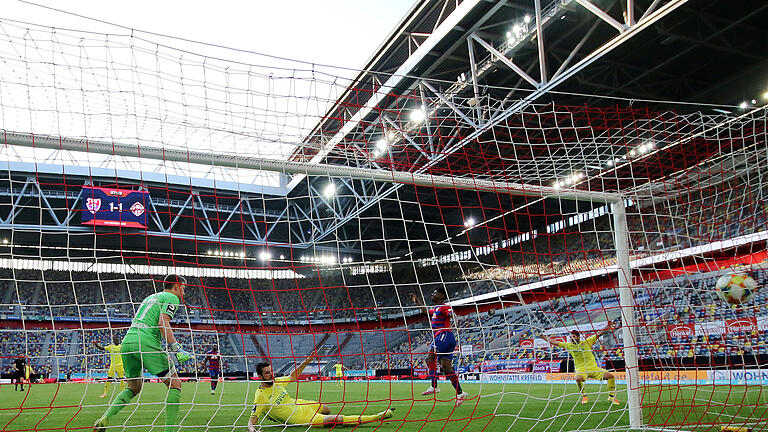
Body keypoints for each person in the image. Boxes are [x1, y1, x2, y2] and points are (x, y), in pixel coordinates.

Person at [94, 274, 193, 432]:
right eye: (183, 288)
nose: (184, 292)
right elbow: (163, 322)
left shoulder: (151, 297)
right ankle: (170, 430)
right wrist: (176, 348)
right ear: (176, 286)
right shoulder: (172, 297)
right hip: (146, 341)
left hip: (128, 342)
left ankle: (105, 418)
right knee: (175, 383)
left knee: (133, 387)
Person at [248, 351, 393, 430]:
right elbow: (251, 421)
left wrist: (305, 362)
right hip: (302, 419)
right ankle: (376, 416)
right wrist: (252, 429)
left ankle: (276, 416)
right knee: (337, 419)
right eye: (267, 373)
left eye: (271, 371)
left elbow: (293, 376)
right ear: (260, 376)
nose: (271, 374)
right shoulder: (260, 397)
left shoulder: (277, 382)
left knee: (327, 409)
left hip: (301, 404)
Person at [410, 288, 468, 406]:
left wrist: (454, 318)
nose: (432, 294)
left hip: (444, 335)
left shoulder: (444, 306)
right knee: (446, 367)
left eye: (435, 292)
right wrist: (417, 301)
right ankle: (460, 393)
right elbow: (426, 311)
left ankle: (434, 386)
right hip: (446, 338)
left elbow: (450, 312)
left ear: (442, 296)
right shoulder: (436, 309)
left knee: (429, 358)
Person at [542, 322, 620, 405]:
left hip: (593, 368)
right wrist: (543, 337)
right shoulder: (569, 345)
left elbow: (599, 334)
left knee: (610, 376)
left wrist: (607, 326)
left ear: (578, 337)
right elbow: (554, 342)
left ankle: (611, 397)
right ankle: (584, 396)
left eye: (573, 337)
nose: (571, 339)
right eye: (570, 337)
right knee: (578, 378)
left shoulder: (587, 342)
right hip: (581, 369)